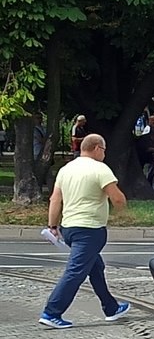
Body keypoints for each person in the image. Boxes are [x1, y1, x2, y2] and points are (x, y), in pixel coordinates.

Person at [40, 134, 130, 329]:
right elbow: (118, 199)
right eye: (104, 150)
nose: (105, 155)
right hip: (90, 230)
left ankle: (111, 307)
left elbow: (55, 200)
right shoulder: (100, 169)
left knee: (95, 268)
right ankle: (52, 312)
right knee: (75, 272)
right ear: (97, 148)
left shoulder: (66, 169)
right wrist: (124, 211)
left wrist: (52, 226)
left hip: (69, 228)